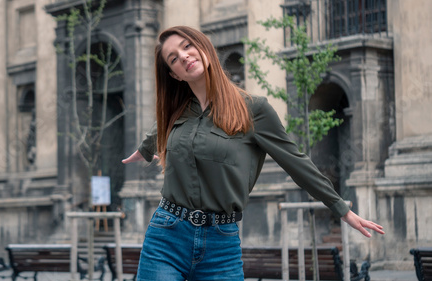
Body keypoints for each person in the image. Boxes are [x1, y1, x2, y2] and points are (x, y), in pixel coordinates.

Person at [122, 25, 384, 281]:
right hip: (166, 235)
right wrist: (145, 149)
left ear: (204, 48)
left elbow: (295, 161)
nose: (184, 56)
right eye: (174, 59)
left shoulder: (253, 110)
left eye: (187, 46)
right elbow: (161, 123)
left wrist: (341, 208)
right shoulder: (177, 112)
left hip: (220, 243)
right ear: (175, 75)